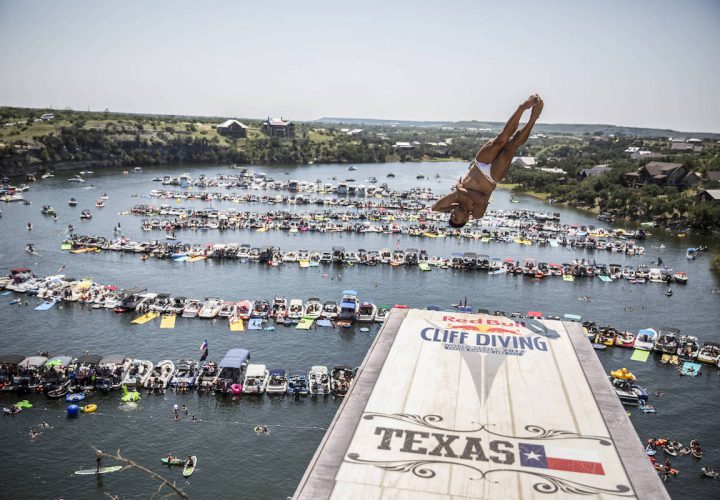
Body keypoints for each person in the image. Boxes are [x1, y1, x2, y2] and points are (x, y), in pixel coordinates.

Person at [432, 95, 544, 227]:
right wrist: (461, 189)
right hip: (492, 177)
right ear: (466, 220)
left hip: (479, 165)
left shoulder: (456, 199)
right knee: (511, 147)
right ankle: (534, 117)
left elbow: (435, 208)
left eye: (452, 216)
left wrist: (450, 207)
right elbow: (481, 199)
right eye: (456, 219)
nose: (454, 215)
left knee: (500, 140)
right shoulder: (476, 213)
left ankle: (522, 107)